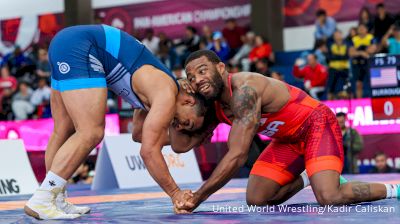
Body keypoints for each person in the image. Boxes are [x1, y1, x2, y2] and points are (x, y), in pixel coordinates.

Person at [172, 49, 400, 213]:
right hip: (287, 139)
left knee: (330, 196)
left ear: (221, 68)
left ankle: (394, 189)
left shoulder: (245, 90)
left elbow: (238, 155)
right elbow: (180, 145)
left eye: (203, 71)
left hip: (316, 125)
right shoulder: (212, 104)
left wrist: (198, 197)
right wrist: (169, 101)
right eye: (192, 78)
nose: (198, 80)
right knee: (257, 199)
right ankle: (307, 177)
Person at [24, 25, 194, 220]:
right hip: (81, 46)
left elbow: (139, 135)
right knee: (91, 132)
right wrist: (175, 193)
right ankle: (44, 197)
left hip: (66, 41)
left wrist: (191, 135)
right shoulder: (165, 91)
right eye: (186, 122)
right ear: (189, 100)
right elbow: (149, 150)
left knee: (63, 129)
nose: (179, 126)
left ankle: (55, 198)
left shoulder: (155, 90)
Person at [349, 23, 377, 98]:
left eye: (363, 28)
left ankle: (373, 99)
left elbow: (372, 50)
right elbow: (351, 53)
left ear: (366, 29)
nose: (361, 30)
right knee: (358, 84)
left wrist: (358, 50)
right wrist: (362, 52)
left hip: (368, 63)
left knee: (372, 82)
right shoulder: (354, 39)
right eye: (359, 28)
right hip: (358, 64)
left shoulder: (370, 38)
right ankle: (359, 101)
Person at [326, 30, 350, 100]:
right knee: (330, 88)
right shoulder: (330, 45)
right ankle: (329, 105)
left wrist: (335, 56)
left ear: (341, 35)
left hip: (344, 69)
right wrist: (341, 56)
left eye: (338, 34)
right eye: (335, 35)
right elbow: (329, 57)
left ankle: (349, 104)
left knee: (347, 88)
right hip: (333, 69)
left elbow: (347, 56)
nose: (337, 36)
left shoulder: (347, 44)